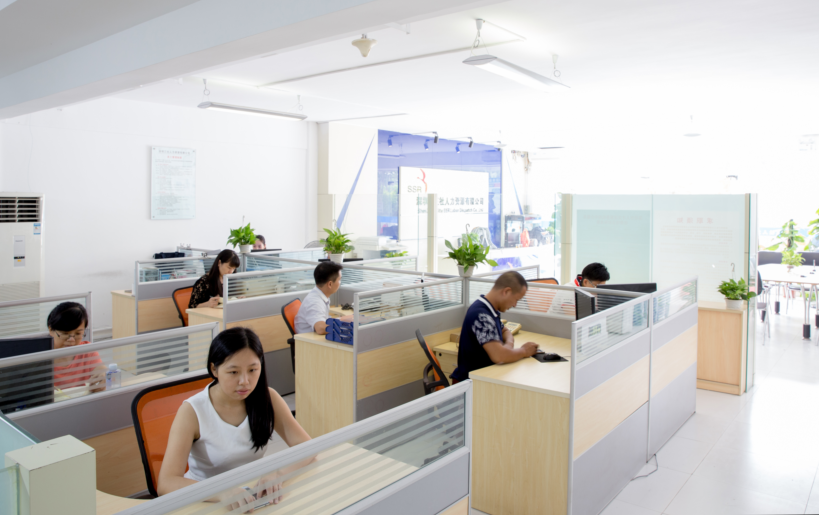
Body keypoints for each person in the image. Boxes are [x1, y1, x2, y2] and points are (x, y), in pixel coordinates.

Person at [158, 327, 312, 510]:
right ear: (214, 369)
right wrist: (222, 492)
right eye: (234, 372)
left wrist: (278, 474)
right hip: (205, 500)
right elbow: (166, 483)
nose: (245, 381)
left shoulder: (268, 398)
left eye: (253, 370)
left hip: (251, 496)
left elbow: (307, 447)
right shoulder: (192, 411)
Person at [450, 271, 539, 382]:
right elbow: (499, 356)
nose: (515, 305)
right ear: (506, 291)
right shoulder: (481, 315)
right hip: (472, 384)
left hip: (485, 378)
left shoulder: (490, 309)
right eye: (516, 299)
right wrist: (524, 351)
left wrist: (508, 346)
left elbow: (505, 331)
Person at [48, 302, 106, 392]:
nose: (71, 340)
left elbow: (101, 369)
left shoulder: (87, 351)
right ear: (51, 330)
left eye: (78, 333)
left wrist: (103, 375)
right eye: (65, 333)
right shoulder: (40, 358)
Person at [294, 262, 343, 335]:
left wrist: (342, 319)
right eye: (339, 280)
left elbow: (324, 321)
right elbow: (321, 328)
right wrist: (344, 321)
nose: (340, 282)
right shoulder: (315, 302)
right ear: (330, 284)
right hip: (308, 340)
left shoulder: (320, 295)